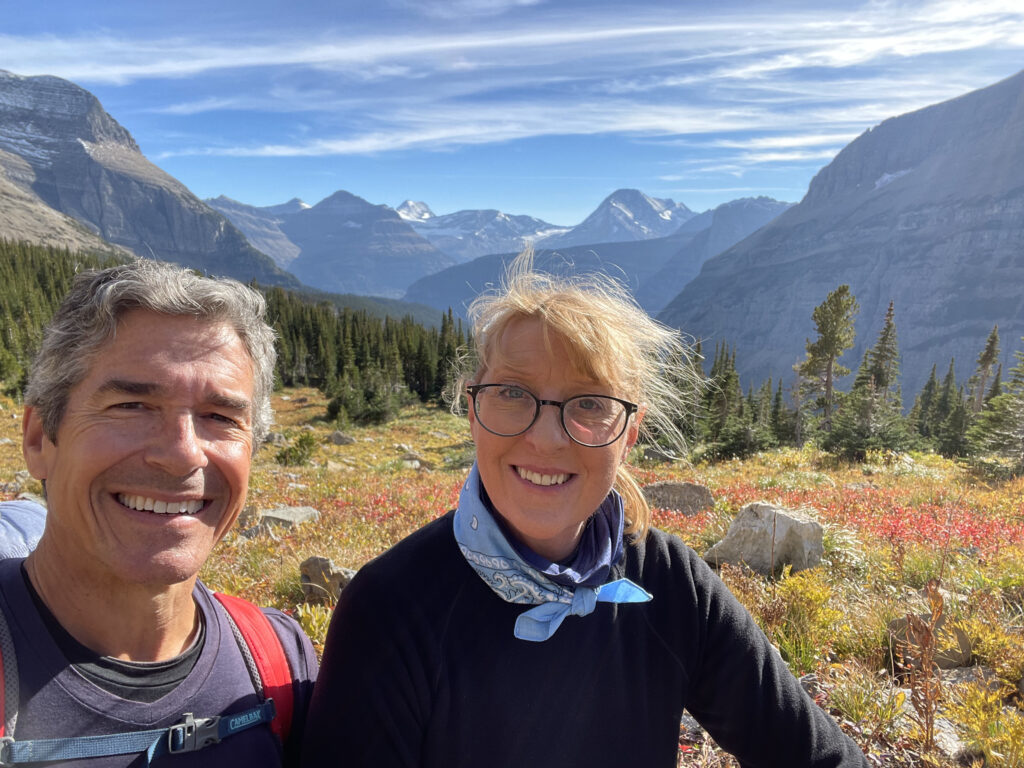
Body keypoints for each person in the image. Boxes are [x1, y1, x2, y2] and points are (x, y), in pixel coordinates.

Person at [303, 251, 868, 767]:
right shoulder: (390, 609)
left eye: (590, 403)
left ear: (629, 433)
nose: (547, 439)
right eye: (513, 393)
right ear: (472, 410)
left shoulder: (670, 583)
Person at [0, 260, 317, 766]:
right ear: (39, 439)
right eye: (131, 405)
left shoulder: (278, 663)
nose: (183, 454)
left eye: (220, 417)